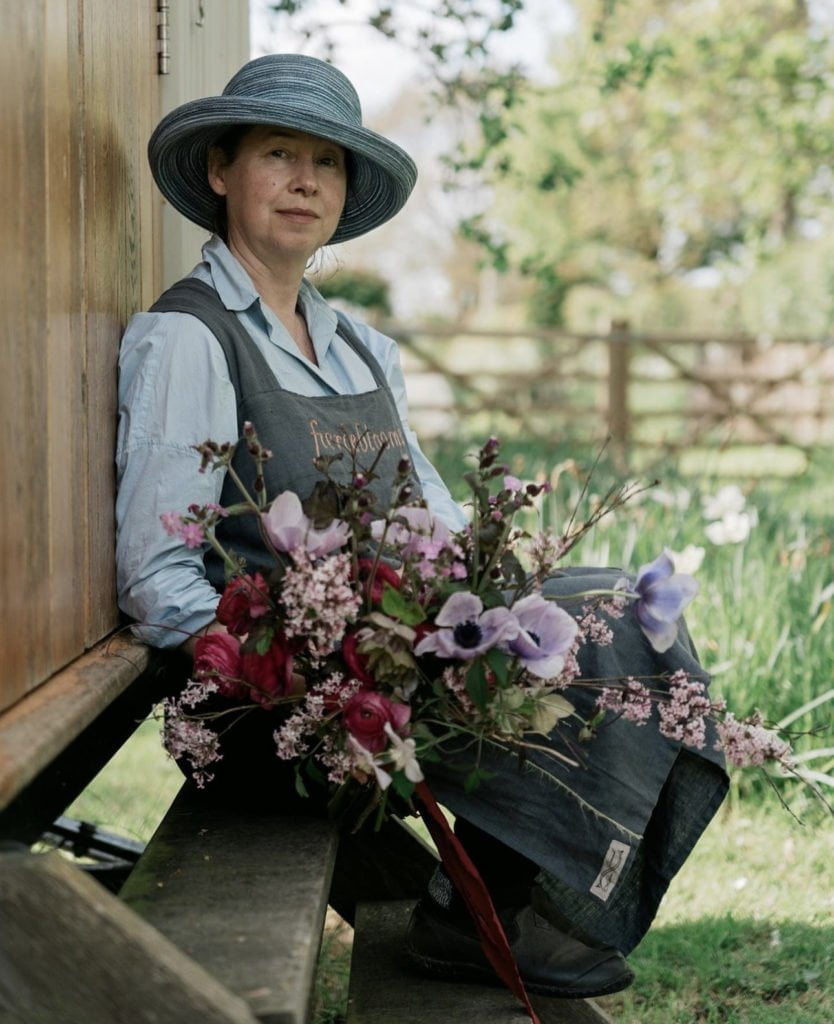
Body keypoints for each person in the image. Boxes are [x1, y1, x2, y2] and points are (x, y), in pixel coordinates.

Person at [116, 53, 728, 1001]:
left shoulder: (362, 342)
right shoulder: (190, 337)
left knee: (617, 606)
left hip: (394, 643)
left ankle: (502, 890)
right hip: (290, 693)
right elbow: (157, 574)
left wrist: (497, 582)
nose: (307, 181)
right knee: (596, 620)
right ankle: (488, 903)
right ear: (220, 170)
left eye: (327, 163)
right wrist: (275, 670)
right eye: (280, 153)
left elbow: (432, 509)